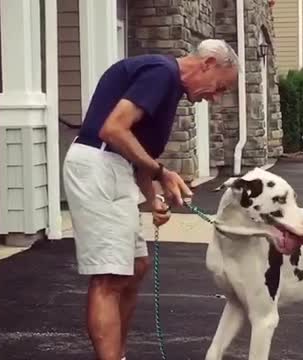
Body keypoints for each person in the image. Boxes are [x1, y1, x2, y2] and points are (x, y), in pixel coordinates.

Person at [62, 39, 239, 360]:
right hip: (98, 165)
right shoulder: (161, 73)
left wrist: (153, 197)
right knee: (110, 277)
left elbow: (135, 149)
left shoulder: (168, 87)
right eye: (220, 88)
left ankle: (116, 353)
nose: (214, 98)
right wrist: (161, 173)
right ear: (208, 64)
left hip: (113, 168)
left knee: (135, 266)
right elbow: (113, 130)